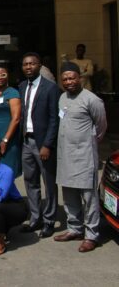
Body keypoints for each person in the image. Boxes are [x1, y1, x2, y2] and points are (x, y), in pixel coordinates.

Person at [54, 62, 107, 252]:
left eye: (72, 78)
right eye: (65, 79)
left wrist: (88, 143)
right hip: (65, 156)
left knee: (88, 197)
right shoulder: (62, 98)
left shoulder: (92, 100)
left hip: (85, 157)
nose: (69, 82)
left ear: (80, 78)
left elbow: (101, 128)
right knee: (69, 194)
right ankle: (74, 228)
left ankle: (91, 235)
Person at [19, 52, 59, 238]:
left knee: (48, 183)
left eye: (32, 64)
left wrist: (48, 145)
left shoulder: (50, 88)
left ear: (39, 65)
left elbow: (54, 119)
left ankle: (49, 220)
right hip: (26, 142)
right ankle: (36, 218)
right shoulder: (21, 87)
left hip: (42, 143)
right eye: (25, 64)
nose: (28, 67)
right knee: (30, 181)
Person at [0, 64, 22, 178]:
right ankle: (3, 195)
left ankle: (6, 195)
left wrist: (5, 140)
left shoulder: (12, 92)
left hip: (8, 138)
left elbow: (16, 118)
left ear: (8, 76)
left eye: (3, 74)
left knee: (8, 171)